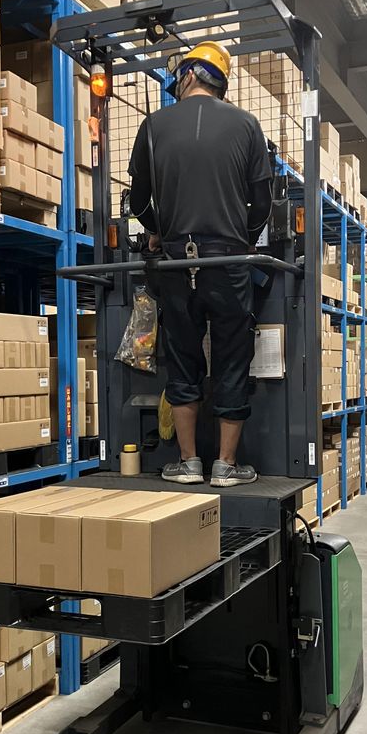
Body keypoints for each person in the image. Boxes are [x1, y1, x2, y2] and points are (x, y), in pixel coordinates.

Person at [128, 40, 273, 487]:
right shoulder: (247, 125)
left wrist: (158, 230)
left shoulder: (153, 126)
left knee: (182, 357)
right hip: (228, 260)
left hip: (175, 263)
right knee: (232, 357)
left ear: (188, 74)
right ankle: (226, 465)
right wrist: (241, 241)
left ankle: (188, 462)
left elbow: (138, 200)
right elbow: (262, 204)